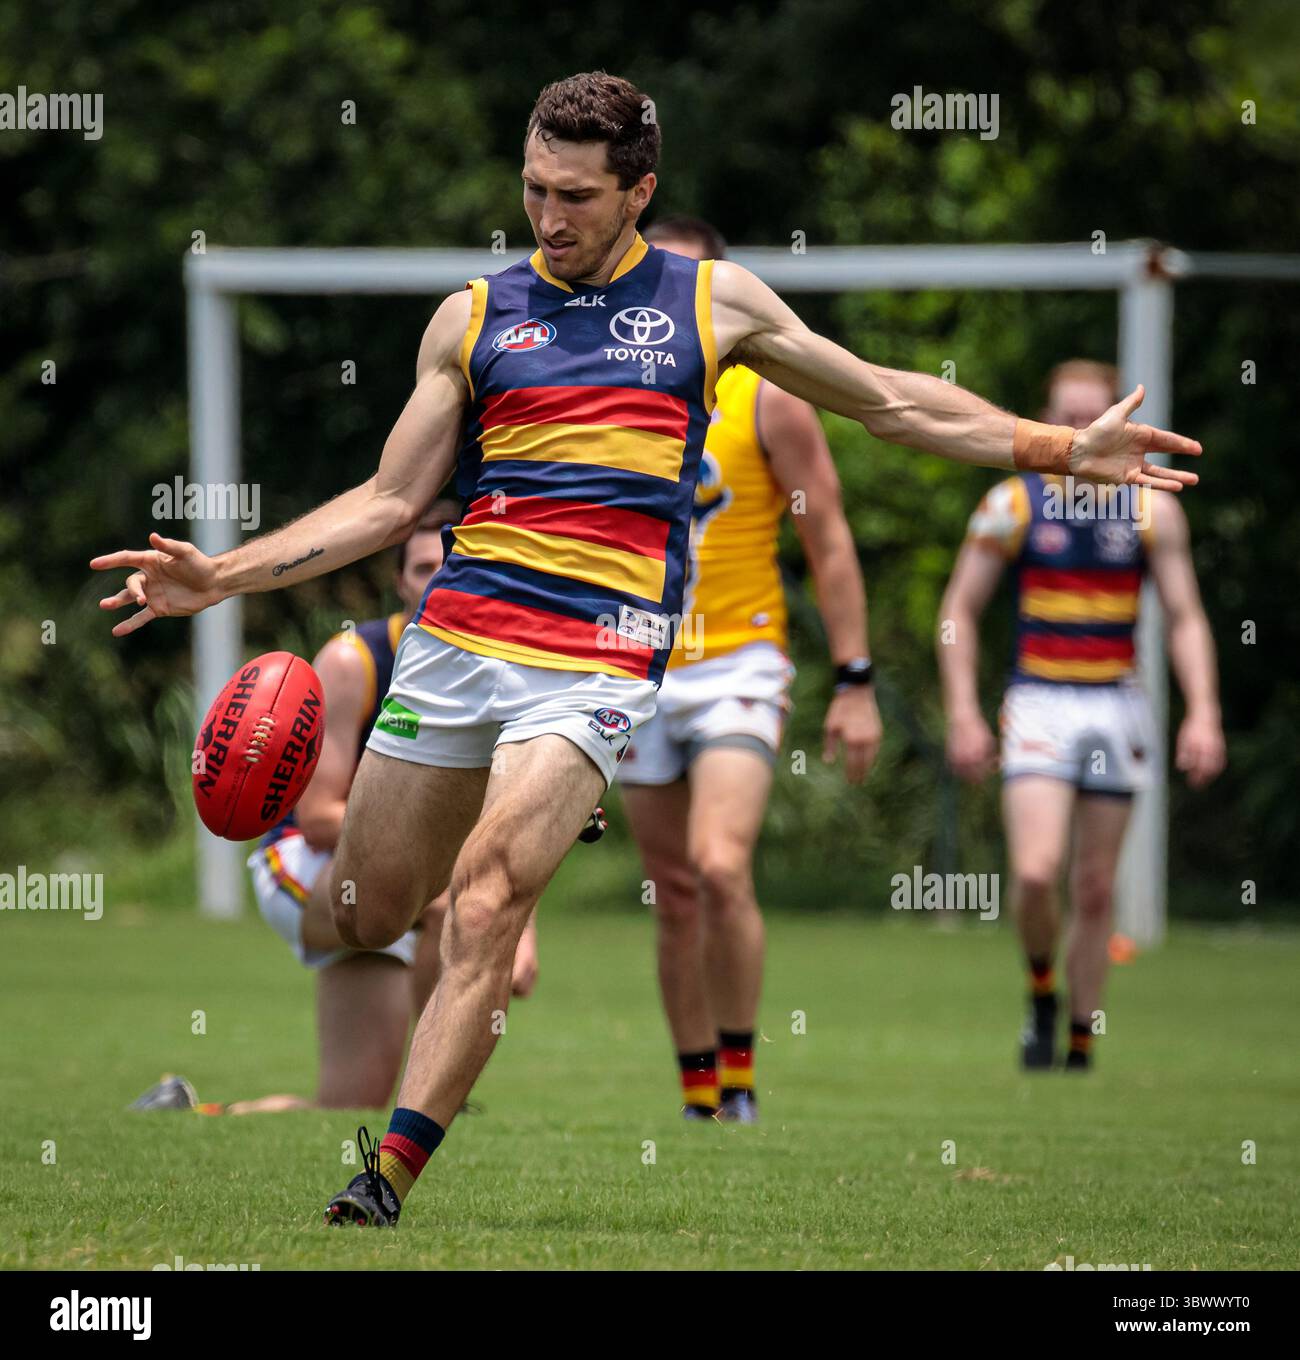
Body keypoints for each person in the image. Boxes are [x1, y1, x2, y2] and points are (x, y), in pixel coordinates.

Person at [92, 73, 1200, 1226]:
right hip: (457, 644)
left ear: (639, 190)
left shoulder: (711, 302)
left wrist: (1060, 446)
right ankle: (413, 942)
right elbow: (385, 501)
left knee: (488, 900)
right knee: (370, 911)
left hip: (596, 660)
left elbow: (890, 405)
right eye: (533, 189)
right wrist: (219, 573)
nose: (548, 216)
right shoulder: (472, 317)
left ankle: (383, 1182)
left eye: (575, 195)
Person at [130, 503, 539, 1117]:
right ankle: (444, 1095)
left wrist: (519, 918)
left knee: (350, 1110)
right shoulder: (355, 661)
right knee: (455, 907)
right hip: (305, 862)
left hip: (402, 878)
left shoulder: (496, 675)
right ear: (400, 581)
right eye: (422, 565)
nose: (435, 578)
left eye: (450, 565)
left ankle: (192, 1112)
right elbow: (320, 818)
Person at [617, 216, 881, 1123]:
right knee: (673, 891)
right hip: (632, 663)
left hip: (737, 659)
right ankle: (698, 1092)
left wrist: (855, 680)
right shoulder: (613, 387)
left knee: (719, 865)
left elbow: (830, 538)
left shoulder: (770, 396)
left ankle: (740, 1082)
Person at [936, 360, 1225, 1071]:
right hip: (1039, 699)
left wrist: (1204, 714)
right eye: (1066, 415)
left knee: (1096, 888)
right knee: (1036, 873)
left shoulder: (1152, 508)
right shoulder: (1014, 502)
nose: (1079, 428)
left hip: (1115, 703)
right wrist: (965, 713)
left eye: (1091, 414)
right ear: (1047, 419)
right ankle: (1041, 992)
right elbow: (958, 614)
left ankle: (1082, 1036)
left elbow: (1186, 618)